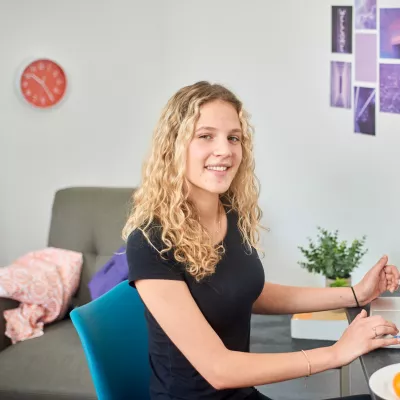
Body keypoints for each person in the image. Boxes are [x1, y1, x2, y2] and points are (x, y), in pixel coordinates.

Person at [122, 81, 400, 400]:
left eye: (233, 138)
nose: (225, 150)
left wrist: (355, 293)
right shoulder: (150, 241)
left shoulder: (228, 213)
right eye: (205, 136)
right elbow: (219, 369)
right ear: (173, 146)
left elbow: (246, 292)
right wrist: (335, 354)